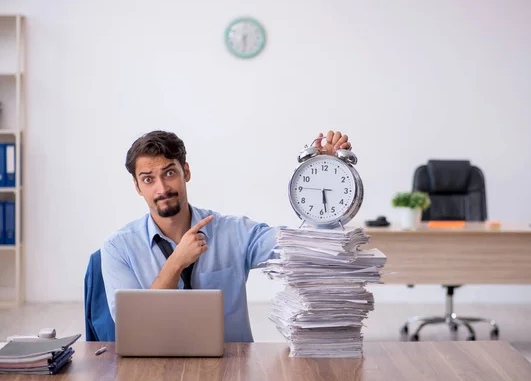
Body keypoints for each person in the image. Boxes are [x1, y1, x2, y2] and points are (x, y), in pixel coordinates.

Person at [100, 130, 352, 342]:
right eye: (148, 179)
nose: (162, 188)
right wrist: (177, 262)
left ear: (185, 172)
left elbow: (302, 248)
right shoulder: (118, 247)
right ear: (137, 186)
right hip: (155, 372)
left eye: (169, 173)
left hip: (231, 373)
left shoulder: (234, 232)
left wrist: (327, 176)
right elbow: (132, 326)